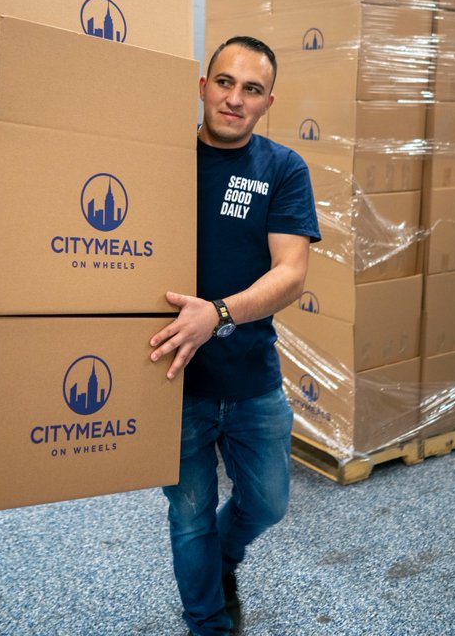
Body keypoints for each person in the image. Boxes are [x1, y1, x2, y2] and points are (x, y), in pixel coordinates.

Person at [149, 35, 320, 635]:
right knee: (189, 516)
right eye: (224, 82)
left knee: (269, 503)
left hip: (250, 376)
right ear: (202, 86)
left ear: (268, 102)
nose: (234, 99)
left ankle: (223, 561)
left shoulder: (281, 168)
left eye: (251, 89)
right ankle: (209, 623)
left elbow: (292, 272)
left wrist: (217, 315)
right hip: (172, 379)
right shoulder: (158, 159)